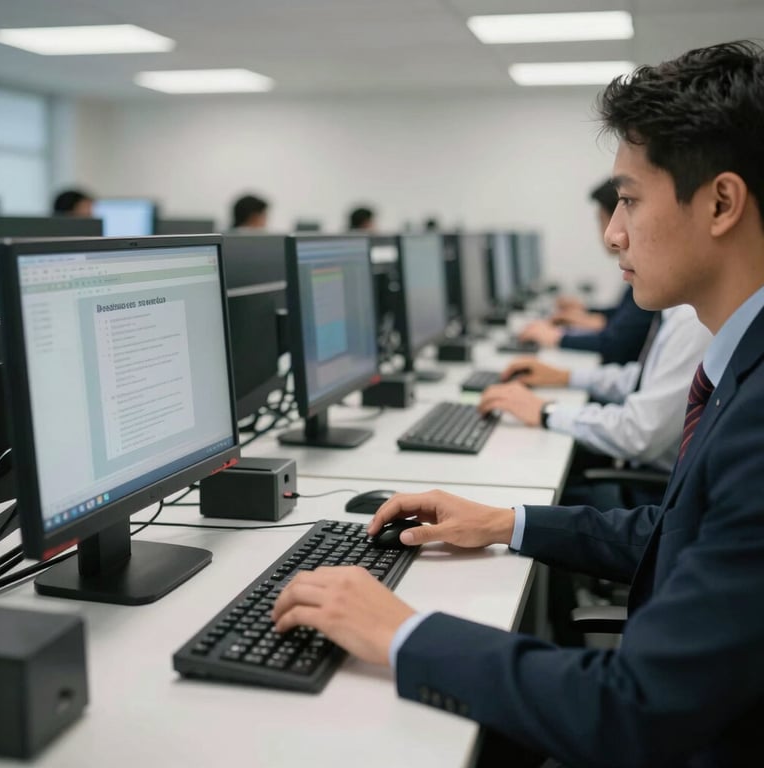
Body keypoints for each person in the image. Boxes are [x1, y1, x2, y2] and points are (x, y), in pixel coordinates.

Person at [272, 41, 764, 767]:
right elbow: (679, 532)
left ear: (721, 203)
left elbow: (634, 711)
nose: (612, 233)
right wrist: (506, 522)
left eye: (629, 200)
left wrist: (402, 632)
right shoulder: (743, 367)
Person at [479, 304, 711, 505]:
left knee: (519, 480)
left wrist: (545, 411)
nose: (622, 271)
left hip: (652, 498)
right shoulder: (678, 314)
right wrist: (566, 376)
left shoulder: (692, 323)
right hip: (644, 476)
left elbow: (638, 434)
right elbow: (642, 380)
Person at [518, 180, 656, 364]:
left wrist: (557, 337)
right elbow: (624, 317)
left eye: (600, 220)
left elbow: (617, 341)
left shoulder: (650, 280)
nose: (607, 234)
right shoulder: (638, 275)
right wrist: (585, 312)